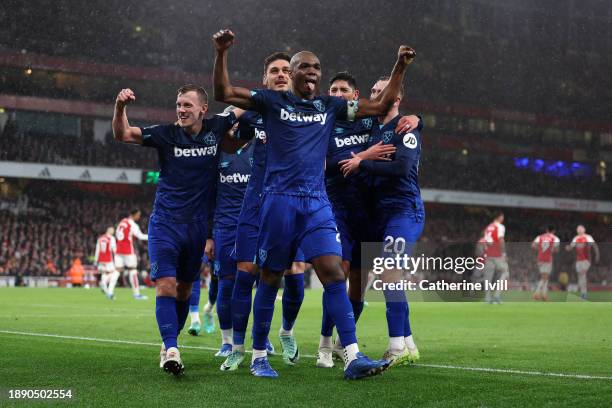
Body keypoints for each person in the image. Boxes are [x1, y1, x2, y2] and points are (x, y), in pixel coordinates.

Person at [212, 28, 415, 379]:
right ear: (291, 74)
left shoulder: (330, 107)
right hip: (279, 201)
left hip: (317, 202)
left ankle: (351, 356)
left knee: (334, 272)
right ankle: (259, 355)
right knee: (271, 275)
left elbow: (382, 105)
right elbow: (224, 93)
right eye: (305, 67)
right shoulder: (271, 102)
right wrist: (222, 52)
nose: (313, 72)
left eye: (317, 68)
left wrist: (400, 66)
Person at [112, 84, 240, 376]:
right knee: (166, 285)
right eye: (179, 104)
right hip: (165, 223)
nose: (181, 110)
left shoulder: (218, 127)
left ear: (203, 109)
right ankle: (171, 348)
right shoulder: (166, 134)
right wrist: (120, 108)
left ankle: (171, 342)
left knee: (183, 290)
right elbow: (123, 134)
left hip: (196, 227)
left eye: (187, 105)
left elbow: (245, 104)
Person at [319, 71, 420, 368]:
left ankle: (400, 343)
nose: (337, 94)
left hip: (378, 213)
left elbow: (400, 153)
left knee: (371, 281)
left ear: (355, 96)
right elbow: (322, 165)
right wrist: (364, 155)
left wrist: (417, 120)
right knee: (341, 274)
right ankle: (326, 344)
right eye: (332, 89)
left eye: (343, 90)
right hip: (340, 210)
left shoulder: (371, 123)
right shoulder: (324, 124)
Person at [221, 52, 304, 372]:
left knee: (288, 275)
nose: (281, 74)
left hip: (291, 204)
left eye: (286, 70)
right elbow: (228, 145)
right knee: (246, 273)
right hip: (255, 202)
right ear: (265, 80)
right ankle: (240, 348)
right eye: (275, 71)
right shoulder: (256, 114)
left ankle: (280, 337)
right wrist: (237, 113)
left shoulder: (308, 111)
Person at [115, 209, 148, 300]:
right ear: (134, 214)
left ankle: (109, 291)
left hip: (119, 249)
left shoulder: (122, 222)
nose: (139, 217)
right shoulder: (132, 224)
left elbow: (117, 235)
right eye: (138, 215)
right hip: (128, 250)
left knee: (118, 270)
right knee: (133, 270)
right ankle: (137, 294)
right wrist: (153, 237)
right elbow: (140, 236)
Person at [565, 225, 599, 300]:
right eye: (578, 229)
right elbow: (571, 247)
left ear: (584, 230)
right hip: (578, 260)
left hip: (586, 260)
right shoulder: (576, 238)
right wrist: (568, 248)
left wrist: (597, 255)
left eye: (581, 229)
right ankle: (583, 294)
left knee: (582, 274)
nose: (579, 230)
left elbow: (594, 246)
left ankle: (584, 294)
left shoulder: (588, 237)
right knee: (580, 276)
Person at [481, 212, 509, 304]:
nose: (503, 218)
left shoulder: (488, 227)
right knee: (505, 272)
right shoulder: (500, 227)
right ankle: (496, 295)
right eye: (502, 217)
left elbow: (485, 241)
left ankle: (487, 298)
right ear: (500, 217)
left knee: (488, 277)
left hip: (489, 254)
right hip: (497, 254)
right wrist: (504, 253)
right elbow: (501, 239)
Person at [531, 226, 560, 300]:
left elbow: (533, 245)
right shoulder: (555, 238)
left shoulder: (540, 237)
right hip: (547, 259)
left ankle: (544, 295)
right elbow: (556, 249)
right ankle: (536, 293)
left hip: (540, 258)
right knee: (545, 277)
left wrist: (540, 249)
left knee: (544, 277)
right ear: (553, 231)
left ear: (547, 230)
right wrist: (551, 250)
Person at [95, 226, 119, 299]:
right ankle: (110, 292)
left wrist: (96, 261)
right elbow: (114, 250)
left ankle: (103, 284)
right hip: (109, 261)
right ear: (109, 231)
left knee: (105, 274)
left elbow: (97, 251)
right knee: (116, 274)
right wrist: (117, 260)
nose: (113, 232)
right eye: (112, 231)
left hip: (101, 261)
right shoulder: (111, 238)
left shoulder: (100, 238)